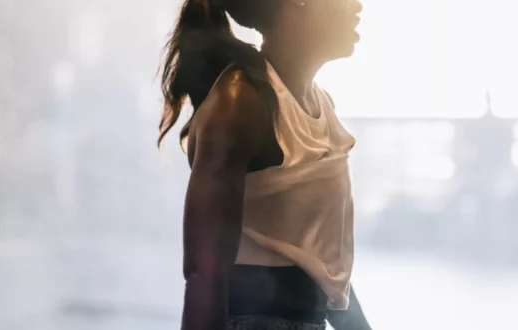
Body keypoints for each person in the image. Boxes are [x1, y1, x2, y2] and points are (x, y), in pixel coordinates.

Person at [158, 0, 370, 329]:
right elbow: (204, 273)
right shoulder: (239, 104)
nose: (356, 6)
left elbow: (327, 272)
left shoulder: (323, 106)